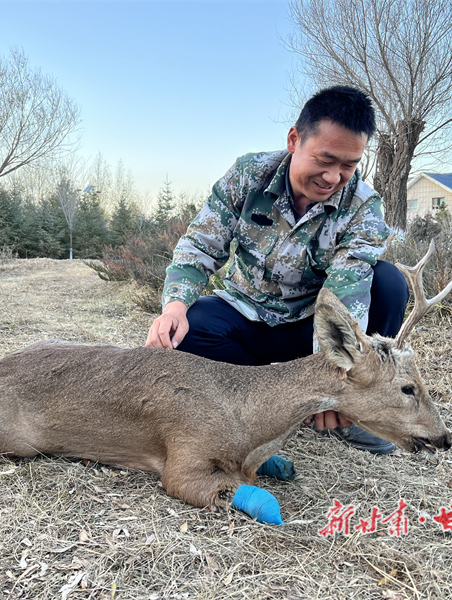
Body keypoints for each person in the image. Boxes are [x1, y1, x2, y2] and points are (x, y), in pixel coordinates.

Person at [145, 85, 408, 455]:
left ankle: (350, 410)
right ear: (294, 139)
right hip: (244, 312)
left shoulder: (364, 207)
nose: (333, 177)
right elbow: (199, 245)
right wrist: (174, 306)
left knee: (389, 284)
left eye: (348, 166)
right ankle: (270, 398)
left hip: (310, 323)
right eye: (325, 160)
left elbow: (345, 297)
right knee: (189, 329)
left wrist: (332, 377)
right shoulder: (248, 174)